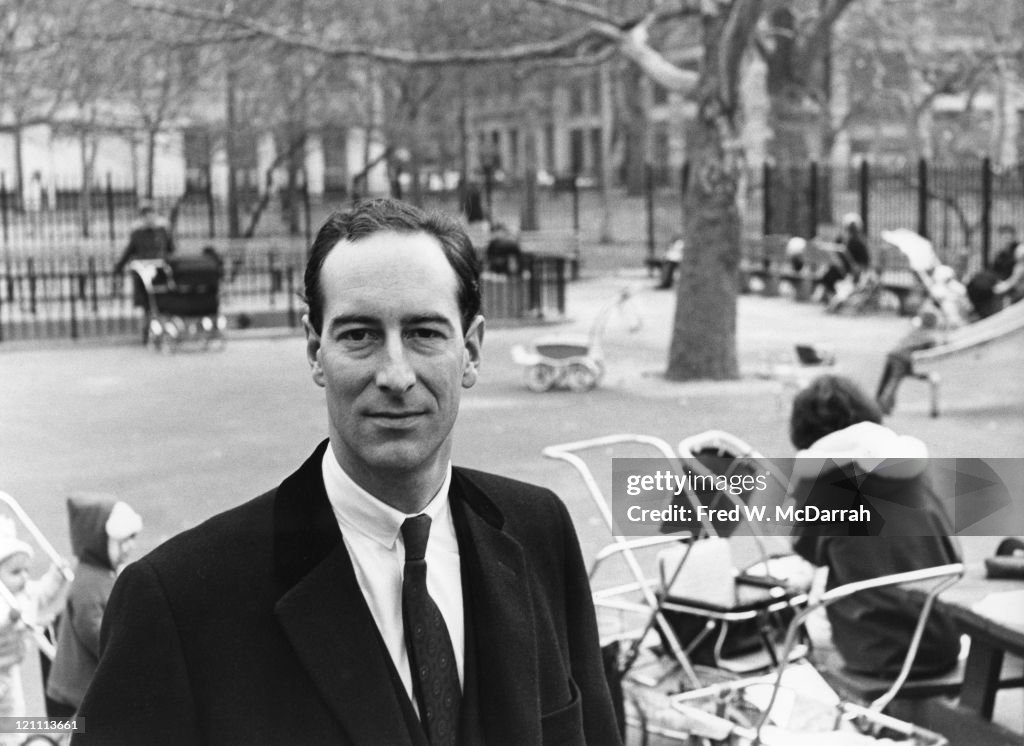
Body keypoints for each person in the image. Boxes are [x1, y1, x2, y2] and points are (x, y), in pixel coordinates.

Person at [75, 198, 620, 745]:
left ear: (471, 350)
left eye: (424, 333)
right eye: (359, 335)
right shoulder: (179, 601)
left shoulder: (538, 529)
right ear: (315, 350)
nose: (395, 374)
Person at [788, 374, 961, 679]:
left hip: (877, 649)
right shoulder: (913, 465)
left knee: (803, 622)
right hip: (943, 636)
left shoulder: (822, 481)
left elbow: (805, 554)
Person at [46, 495, 142, 718]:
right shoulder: (87, 585)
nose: (130, 547)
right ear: (100, 542)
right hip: (75, 692)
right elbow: (96, 632)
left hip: (82, 687)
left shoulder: (104, 573)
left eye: (132, 538)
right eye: (122, 541)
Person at [0, 519, 69, 728]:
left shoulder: (25, 591)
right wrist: (10, 620)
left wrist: (56, 577)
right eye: (15, 572)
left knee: (14, 714)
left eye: (25, 570)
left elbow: (42, 593)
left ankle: (14, 739)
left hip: (10, 667)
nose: (23, 577)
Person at [874, 265, 969, 415]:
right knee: (893, 378)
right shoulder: (931, 324)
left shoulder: (925, 323)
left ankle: (882, 403)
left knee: (891, 377)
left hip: (898, 353)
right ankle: (883, 403)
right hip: (903, 356)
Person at [113, 200, 177, 309]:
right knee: (146, 301)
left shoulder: (162, 231)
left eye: (152, 214)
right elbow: (129, 251)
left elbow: (171, 250)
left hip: (160, 270)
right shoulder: (138, 234)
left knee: (161, 298)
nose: (150, 218)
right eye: (147, 215)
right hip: (143, 271)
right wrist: (118, 268)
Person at [820, 213, 871, 303]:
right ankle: (833, 297)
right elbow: (835, 250)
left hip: (852, 270)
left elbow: (865, 262)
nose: (850, 230)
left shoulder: (859, 242)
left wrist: (858, 268)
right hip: (841, 268)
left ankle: (836, 299)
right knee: (827, 275)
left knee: (831, 275)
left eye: (852, 228)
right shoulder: (841, 239)